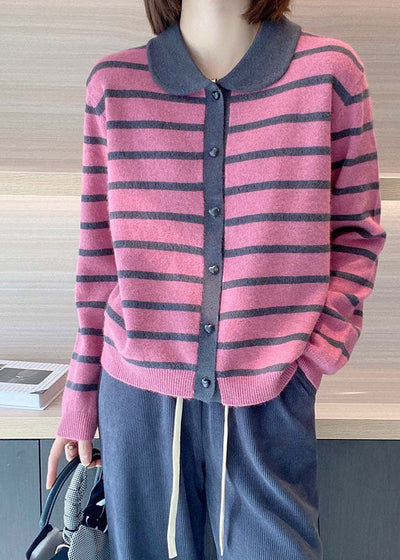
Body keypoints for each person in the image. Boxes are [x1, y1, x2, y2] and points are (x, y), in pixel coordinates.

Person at [46, 1, 387, 559]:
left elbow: (356, 237)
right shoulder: (115, 85)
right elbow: (99, 261)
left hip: (272, 391)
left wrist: (309, 363)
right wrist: (81, 396)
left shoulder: (329, 74)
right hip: (138, 398)